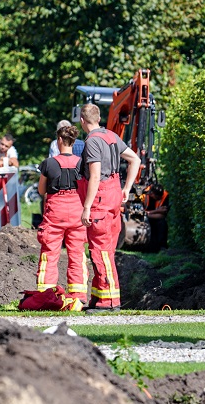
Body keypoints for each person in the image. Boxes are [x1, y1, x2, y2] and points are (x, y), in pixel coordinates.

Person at [78, 103, 141, 312]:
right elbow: (135, 159)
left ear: (82, 121)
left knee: (100, 250)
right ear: (98, 118)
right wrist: (126, 189)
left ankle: (110, 302)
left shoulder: (92, 141)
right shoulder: (111, 136)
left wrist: (86, 206)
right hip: (114, 193)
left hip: (101, 198)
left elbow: (94, 176)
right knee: (106, 249)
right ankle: (98, 298)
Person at [36, 124, 87, 311]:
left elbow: (42, 190)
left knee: (49, 254)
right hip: (77, 213)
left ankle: (46, 295)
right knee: (77, 254)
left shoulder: (48, 163)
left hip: (55, 214)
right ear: (74, 142)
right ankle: (79, 297)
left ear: (59, 141)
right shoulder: (82, 163)